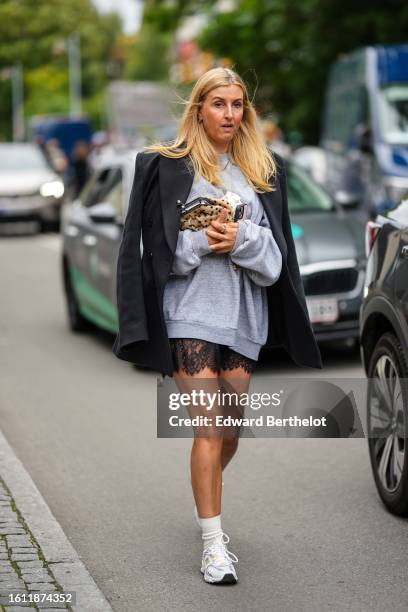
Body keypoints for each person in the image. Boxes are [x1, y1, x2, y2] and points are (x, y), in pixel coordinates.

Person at [112, 67, 322, 585]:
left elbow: (276, 264)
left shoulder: (262, 172)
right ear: (199, 110)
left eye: (237, 104)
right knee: (208, 427)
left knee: (229, 432)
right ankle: (213, 546)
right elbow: (153, 255)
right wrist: (205, 243)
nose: (230, 114)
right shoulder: (167, 168)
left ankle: (205, 495)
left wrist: (242, 241)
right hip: (188, 312)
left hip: (245, 315)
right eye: (219, 104)